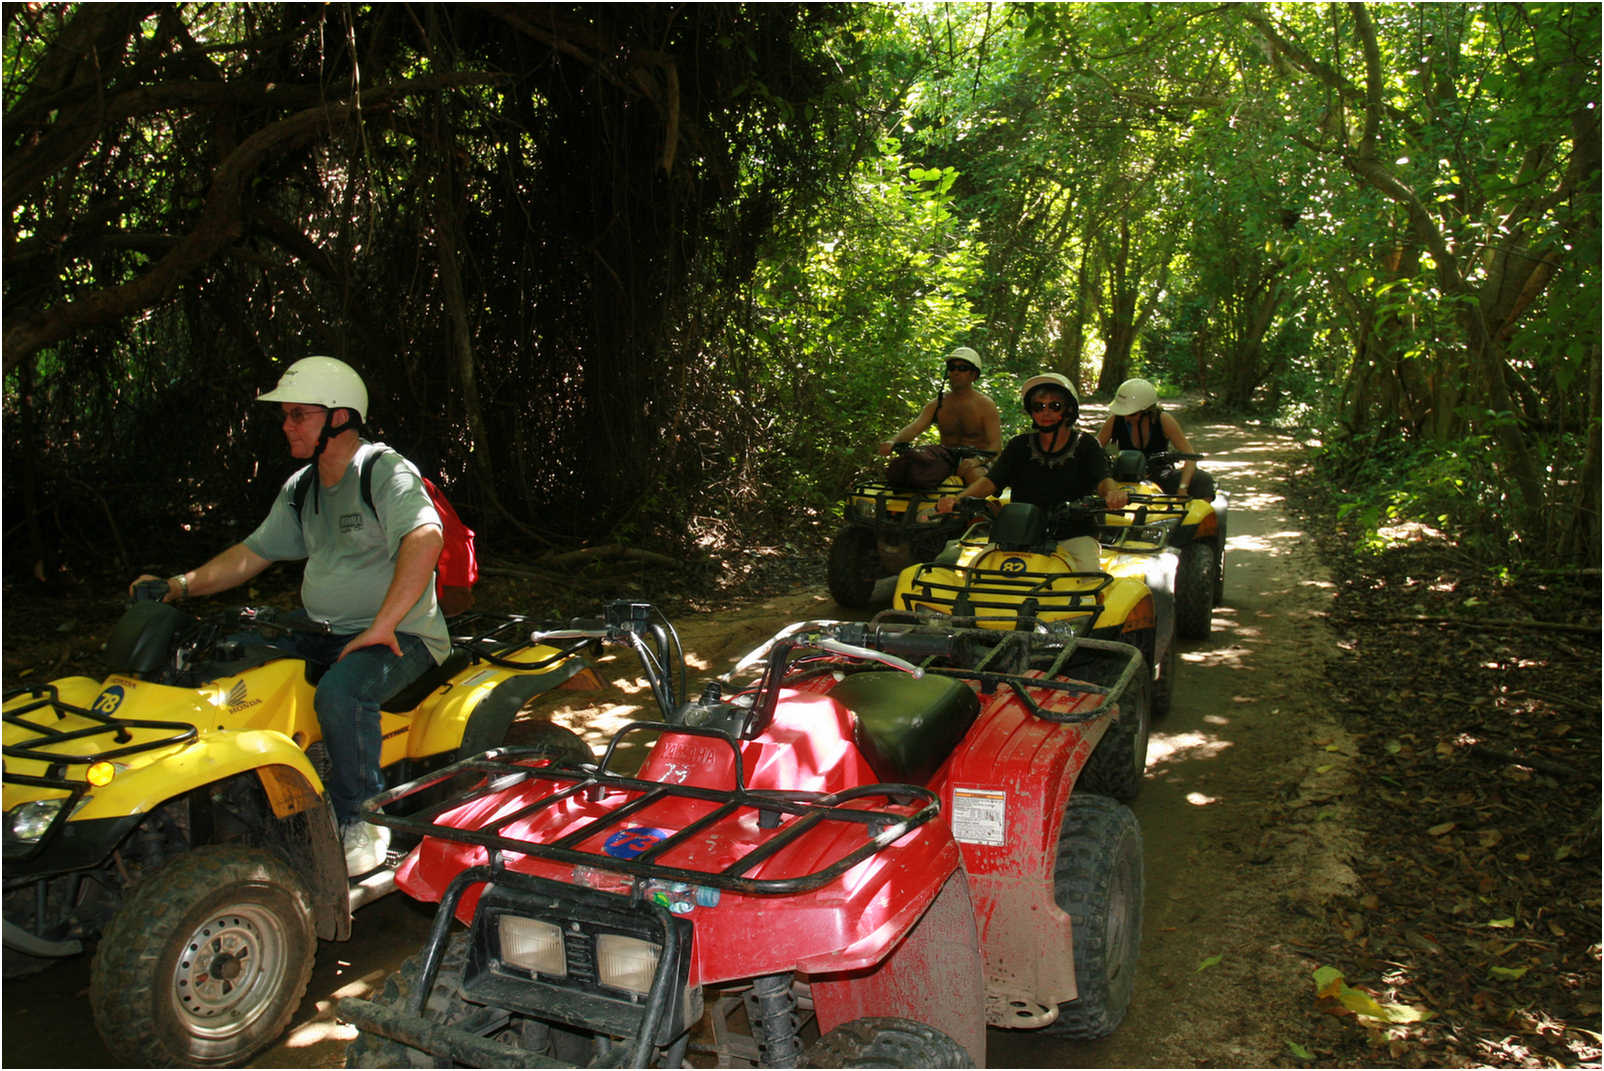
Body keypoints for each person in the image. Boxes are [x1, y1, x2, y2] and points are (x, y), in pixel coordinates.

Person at [129, 356, 450, 876]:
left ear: (339, 418)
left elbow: (425, 536)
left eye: (298, 414)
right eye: (286, 416)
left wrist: (383, 624)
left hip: (404, 635)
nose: (287, 426)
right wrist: (177, 586)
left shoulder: (383, 470)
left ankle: (363, 821)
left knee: (342, 693)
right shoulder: (302, 487)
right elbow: (252, 553)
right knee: (235, 664)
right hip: (320, 630)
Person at [937, 373, 1128, 572]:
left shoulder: (1086, 445)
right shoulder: (1019, 446)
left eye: (1054, 406)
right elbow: (990, 482)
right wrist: (958, 499)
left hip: (1074, 536)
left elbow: (1103, 479)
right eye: (1038, 406)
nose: (1045, 413)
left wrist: (1113, 493)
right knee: (976, 575)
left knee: (1088, 582)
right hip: (1018, 535)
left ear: (1069, 410)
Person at [876, 346, 1002, 484]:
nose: (955, 372)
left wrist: (976, 461)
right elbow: (915, 427)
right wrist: (893, 441)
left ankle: (983, 504)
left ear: (974, 374)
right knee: (909, 471)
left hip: (978, 462)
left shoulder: (985, 405)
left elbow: (995, 446)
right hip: (945, 460)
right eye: (952, 367)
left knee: (975, 477)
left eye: (962, 368)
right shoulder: (937, 404)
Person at [1096, 377, 1215, 500]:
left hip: (1160, 476)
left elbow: (1190, 456)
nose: (1126, 418)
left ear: (1147, 411)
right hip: (1122, 477)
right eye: (1123, 413)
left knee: (1203, 480)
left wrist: (1182, 488)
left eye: (1132, 414)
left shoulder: (1163, 420)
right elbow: (1094, 450)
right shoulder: (1115, 420)